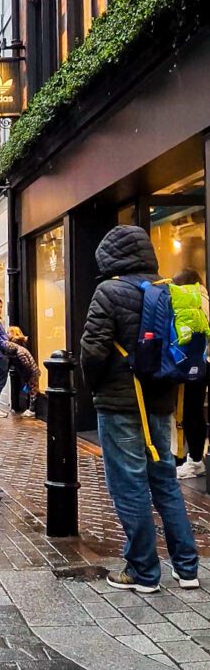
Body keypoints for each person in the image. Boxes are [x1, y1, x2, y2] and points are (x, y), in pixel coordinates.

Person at [81, 224, 199, 592]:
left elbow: (93, 351)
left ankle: (143, 571)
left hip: (120, 405)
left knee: (129, 485)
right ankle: (187, 568)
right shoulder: (169, 290)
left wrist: (94, 386)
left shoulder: (109, 292)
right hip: (161, 403)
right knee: (164, 481)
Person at [173, 269, 210, 478]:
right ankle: (195, 458)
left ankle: (195, 460)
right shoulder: (204, 298)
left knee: (190, 412)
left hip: (196, 362)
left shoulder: (191, 301)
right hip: (204, 361)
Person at [3, 327, 39, 418]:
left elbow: (26, 364)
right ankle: (30, 409)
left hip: (31, 373)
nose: (7, 334)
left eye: (8, 332)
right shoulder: (19, 348)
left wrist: (27, 374)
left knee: (32, 391)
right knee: (30, 390)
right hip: (29, 373)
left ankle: (32, 410)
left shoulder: (19, 351)